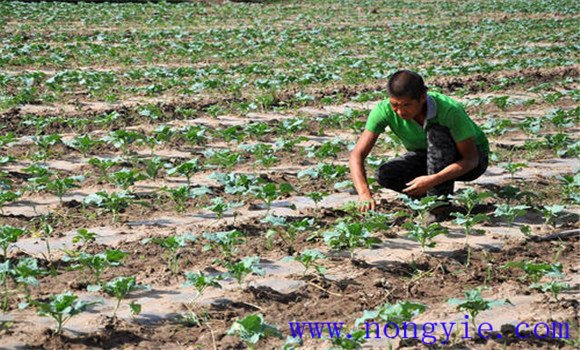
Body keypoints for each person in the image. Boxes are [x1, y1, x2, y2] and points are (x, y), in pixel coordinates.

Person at [349, 70, 489, 215]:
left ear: (422, 97)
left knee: (437, 135)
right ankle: (426, 200)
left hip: (472, 161)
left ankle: (439, 206)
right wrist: (364, 193)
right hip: (428, 157)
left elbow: (471, 160)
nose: (400, 112)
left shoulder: (449, 110)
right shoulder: (383, 111)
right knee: (385, 174)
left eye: (406, 105)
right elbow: (356, 155)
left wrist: (432, 180)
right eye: (394, 105)